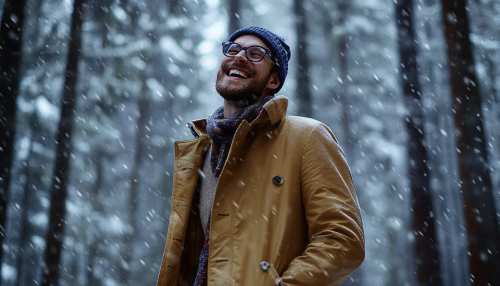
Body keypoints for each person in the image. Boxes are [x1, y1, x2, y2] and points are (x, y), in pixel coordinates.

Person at [156, 26, 364, 286]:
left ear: (273, 81)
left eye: (256, 54)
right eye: (233, 49)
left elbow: (342, 240)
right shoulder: (200, 151)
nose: (239, 57)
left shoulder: (306, 136)